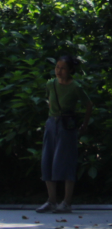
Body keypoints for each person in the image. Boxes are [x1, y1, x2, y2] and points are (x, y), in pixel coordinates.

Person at [38, 55, 93, 214]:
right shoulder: (50, 84)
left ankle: (67, 202)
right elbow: (50, 101)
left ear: (70, 70)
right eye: (57, 67)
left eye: (62, 68)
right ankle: (51, 201)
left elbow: (88, 105)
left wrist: (84, 124)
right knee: (47, 161)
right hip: (51, 123)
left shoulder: (75, 87)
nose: (59, 71)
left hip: (67, 126)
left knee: (66, 161)